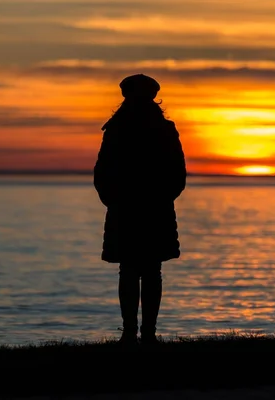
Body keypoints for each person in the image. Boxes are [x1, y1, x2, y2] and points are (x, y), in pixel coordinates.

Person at [93, 74, 187, 345]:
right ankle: (135, 332)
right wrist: (112, 198)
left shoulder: (147, 129)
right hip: (135, 206)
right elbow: (103, 170)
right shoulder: (118, 129)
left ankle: (141, 332)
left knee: (138, 270)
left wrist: (163, 196)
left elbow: (176, 173)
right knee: (140, 270)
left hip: (144, 206)